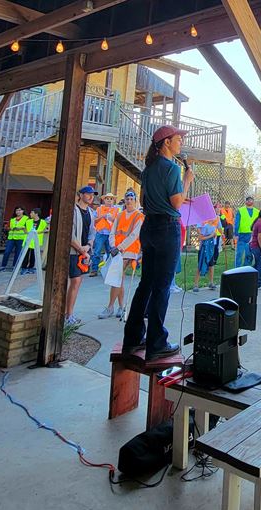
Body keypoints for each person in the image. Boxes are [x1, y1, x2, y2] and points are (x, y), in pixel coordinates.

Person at [123, 125, 194, 361]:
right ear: (166, 143)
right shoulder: (173, 168)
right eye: (177, 140)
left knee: (146, 284)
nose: (180, 143)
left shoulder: (149, 169)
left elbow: (144, 199)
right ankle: (156, 343)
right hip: (167, 229)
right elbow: (176, 204)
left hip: (149, 227)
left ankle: (132, 338)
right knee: (162, 286)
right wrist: (186, 181)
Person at [99, 191, 144, 319]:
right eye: (127, 199)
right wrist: (113, 245)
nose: (129, 201)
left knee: (117, 277)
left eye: (131, 199)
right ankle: (120, 306)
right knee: (120, 279)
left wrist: (119, 247)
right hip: (117, 250)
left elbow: (134, 235)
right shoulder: (119, 215)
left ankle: (110, 307)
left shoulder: (138, 216)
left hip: (128, 251)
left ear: (134, 200)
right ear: (124, 200)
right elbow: (112, 231)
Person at [65, 187, 96, 325]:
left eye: (92, 195)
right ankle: (67, 314)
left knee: (78, 282)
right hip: (73, 251)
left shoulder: (91, 212)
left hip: (84, 252)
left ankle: (69, 313)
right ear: (80, 195)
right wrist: (81, 249)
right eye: (88, 194)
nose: (90, 197)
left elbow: (92, 232)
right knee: (74, 281)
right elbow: (69, 233)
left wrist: (88, 247)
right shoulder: (73, 210)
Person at [193, 208, 221, 292]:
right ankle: (196, 284)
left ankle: (211, 282)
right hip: (204, 246)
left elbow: (219, 228)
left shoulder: (217, 219)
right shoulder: (203, 219)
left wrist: (219, 233)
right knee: (201, 263)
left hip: (212, 245)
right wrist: (210, 235)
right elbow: (200, 232)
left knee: (211, 264)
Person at [91, 193, 119, 276]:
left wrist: (112, 219)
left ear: (113, 200)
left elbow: (118, 222)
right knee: (97, 252)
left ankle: (108, 270)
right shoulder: (99, 209)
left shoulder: (116, 210)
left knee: (110, 252)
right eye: (107, 199)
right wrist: (102, 216)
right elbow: (94, 221)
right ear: (104, 200)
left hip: (111, 234)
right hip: (100, 233)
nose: (109, 200)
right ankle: (94, 270)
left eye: (111, 199)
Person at [0, 206, 27, 271]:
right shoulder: (12, 219)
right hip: (11, 238)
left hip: (20, 238)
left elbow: (28, 229)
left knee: (18, 253)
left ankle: (15, 266)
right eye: (17, 210)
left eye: (20, 210)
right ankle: (3, 266)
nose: (18, 212)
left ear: (23, 211)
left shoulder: (26, 219)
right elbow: (6, 227)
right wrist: (9, 228)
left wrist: (22, 228)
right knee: (7, 252)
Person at [21, 208, 46, 274]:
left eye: (32, 213)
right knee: (25, 255)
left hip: (36, 241)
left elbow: (46, 229)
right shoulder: (28, 221)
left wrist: (38, 232)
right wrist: (24, 230)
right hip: (28, 240)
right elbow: (25, 230)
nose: (30, 214)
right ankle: (24, 268)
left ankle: (31, 268)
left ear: (36, 214)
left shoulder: (43, 222)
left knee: (33, 255)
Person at [249, 208, 261, 290]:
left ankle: (252, 281)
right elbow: (259, 238)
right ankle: (259, 283)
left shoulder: (257, 223)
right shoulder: (260, 224)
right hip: (257, 247)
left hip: (254, 246)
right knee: (259, 265)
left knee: (255, 265)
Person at [234, 196, 257, 267]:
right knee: (239, 253)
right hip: (242, 235)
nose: (249, 202)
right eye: (248, 200)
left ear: (253, 202)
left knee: (249, 254)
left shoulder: (257, 211)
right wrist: (236, 234)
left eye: (251, 200)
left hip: (252, 235)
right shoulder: (240, 210)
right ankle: (237, 268)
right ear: (246, 202)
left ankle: (246, 268)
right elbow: (236, 222)